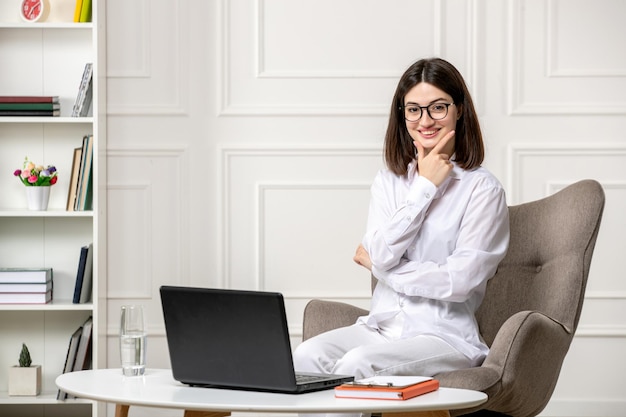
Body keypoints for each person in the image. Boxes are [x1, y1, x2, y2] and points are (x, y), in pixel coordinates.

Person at [293, 58, 510, 385]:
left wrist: (384, 271)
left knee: (359, 364)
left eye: (438, 107)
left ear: (459, 109)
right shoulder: (388, 182)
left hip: (443, 335)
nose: (425, 120)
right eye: (413, 109)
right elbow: (380, 252)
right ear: (402, 113)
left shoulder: (483, 189)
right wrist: (424, 187)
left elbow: (459, 281)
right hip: (380, 328)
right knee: (306, 356)